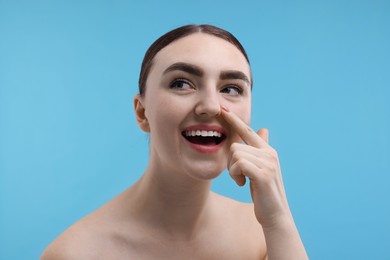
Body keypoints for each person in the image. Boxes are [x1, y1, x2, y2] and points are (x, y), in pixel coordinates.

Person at [41, 24, 308, 259]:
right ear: (142, 112)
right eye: (181, 84)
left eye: (230, 89)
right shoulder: (75, 254)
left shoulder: (261, 233)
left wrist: (279, 220)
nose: (211, 106)